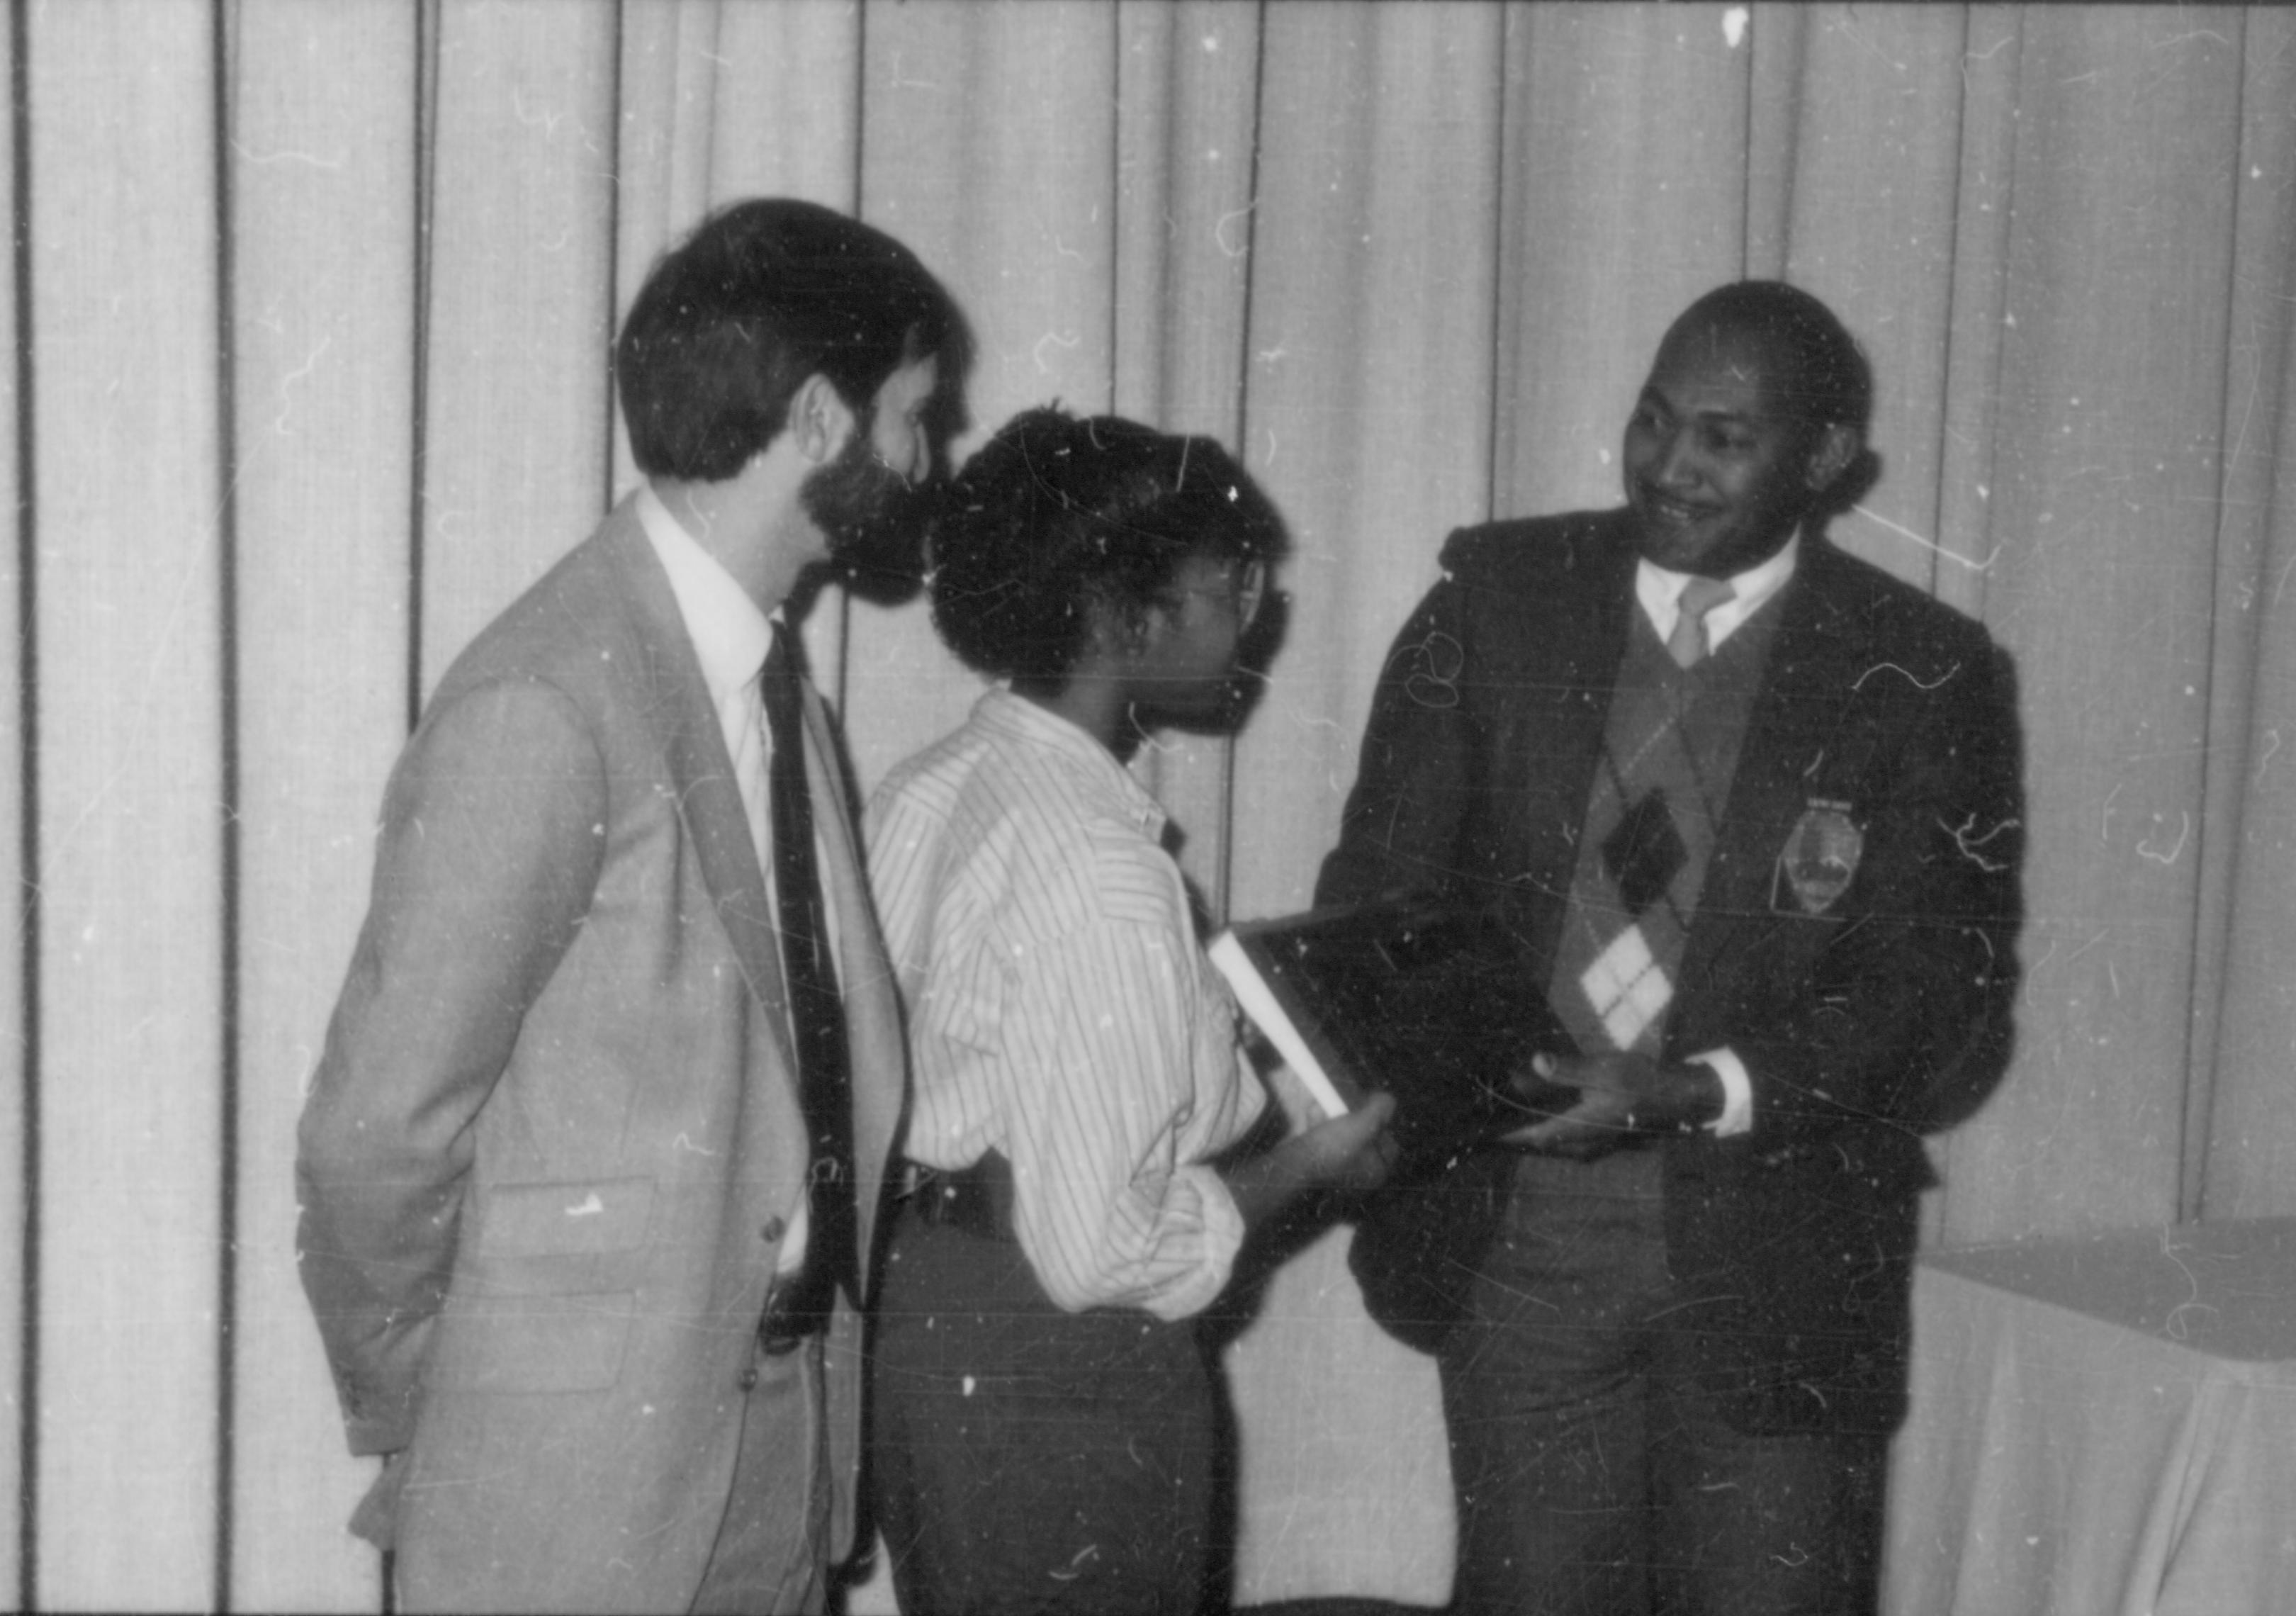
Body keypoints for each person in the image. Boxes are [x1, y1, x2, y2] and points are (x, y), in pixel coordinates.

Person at [295, 197, 967, 1615]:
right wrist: (476, 1419)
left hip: (779, 1457)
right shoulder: (548, 701)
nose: (928, 458)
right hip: (573, 1505)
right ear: (821, 419)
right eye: (916, 414)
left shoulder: (780, 694)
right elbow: (372, 1144)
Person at [1319, 282, 2024, 1615]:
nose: (1670, 464)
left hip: (1780, 1245)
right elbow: (1380, 895)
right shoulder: (1493, 599)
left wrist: (1694, 1087)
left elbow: (1945, 1009)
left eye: (1723, 435)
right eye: (1653, 420)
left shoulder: (1923, 669)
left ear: (1823, 461)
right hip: (1525, 1226)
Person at [865, 407, 1397, 1615]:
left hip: (933, 1325)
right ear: (1122, 617)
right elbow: (1098, 1244)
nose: (1253, 613)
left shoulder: (931, 785)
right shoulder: (1103, 864)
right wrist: (1308, 1168)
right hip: (1063, 1369)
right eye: (1229, 584)